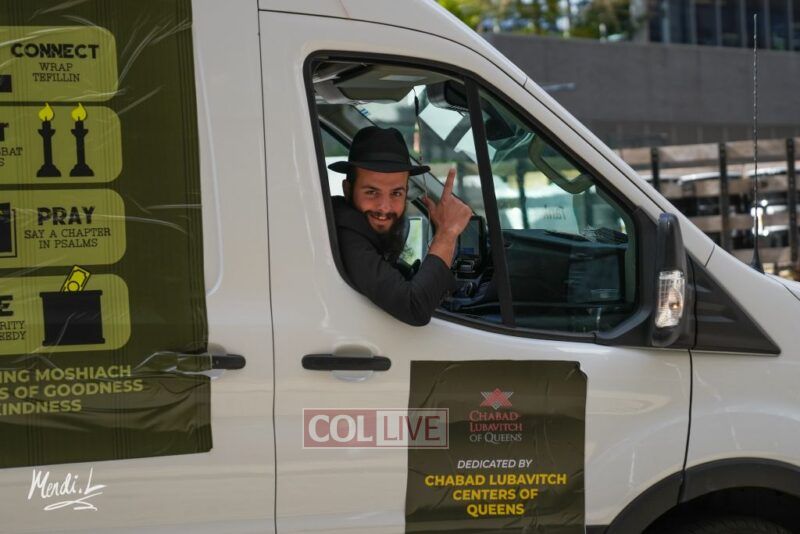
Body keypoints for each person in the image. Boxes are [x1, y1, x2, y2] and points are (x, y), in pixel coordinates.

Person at [329, 126, 472, 326]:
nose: (384, 207)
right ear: (347, 190)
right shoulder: (343, 234)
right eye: (371, 192)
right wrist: (446, 234)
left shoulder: (358, 229)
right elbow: (414, 307)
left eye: (396, 193)